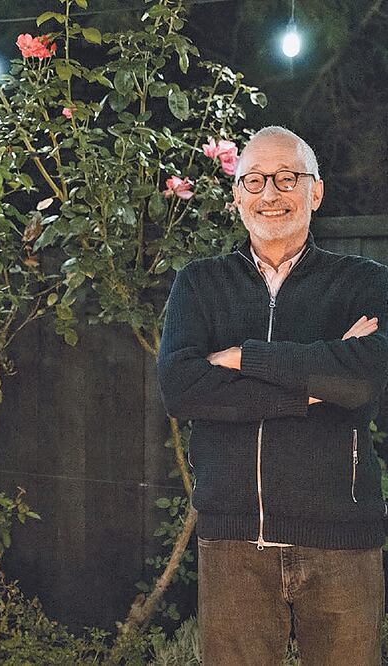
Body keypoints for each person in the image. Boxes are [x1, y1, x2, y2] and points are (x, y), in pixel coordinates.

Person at [158, 126, 388, 665]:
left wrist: (243, 357)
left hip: (342, 542)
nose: (270, 193)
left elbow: (360, 381)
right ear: (236, 194)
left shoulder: (365, 282)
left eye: (287, 178)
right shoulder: (199, 283)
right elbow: (182, 387)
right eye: (255, 180)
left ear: (316, 192)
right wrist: (314, 384)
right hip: (234, 543)